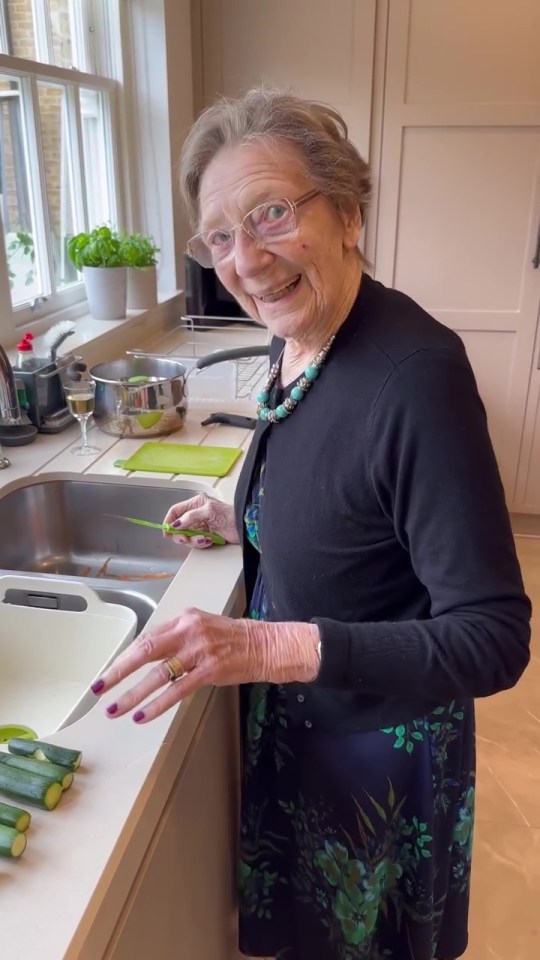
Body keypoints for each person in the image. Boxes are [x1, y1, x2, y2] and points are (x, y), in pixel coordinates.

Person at [92, 89, 531, 960]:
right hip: (303, 721)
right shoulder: (294, 329)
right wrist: (248, 515)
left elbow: (494, 638)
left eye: (272, 214)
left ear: (348, 213)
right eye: (220, 236)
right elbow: (331, 466)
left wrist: (265, 648)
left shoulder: (418, 375)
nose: (247, 261)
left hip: (375, 749)